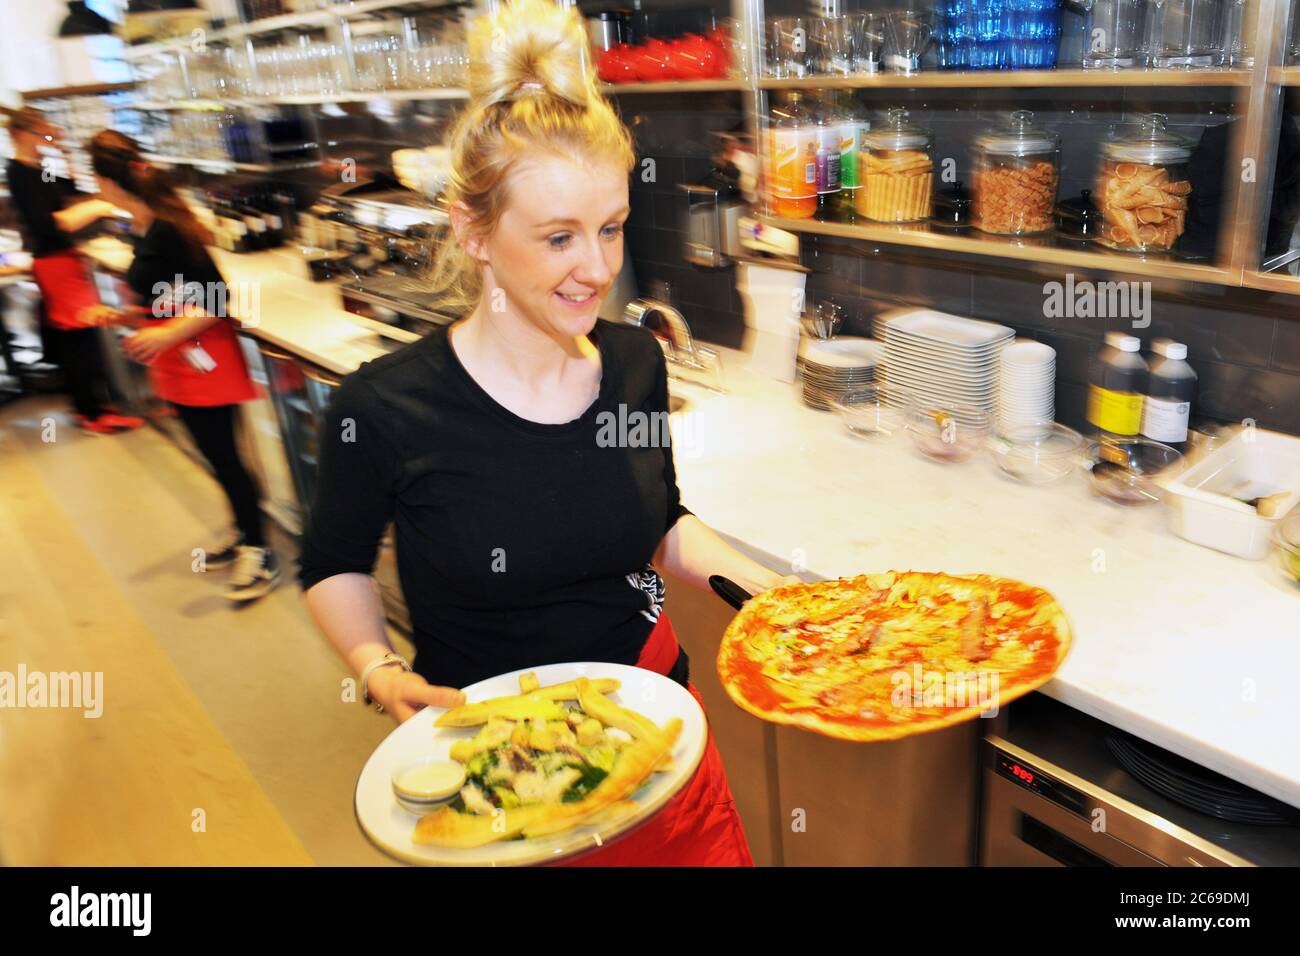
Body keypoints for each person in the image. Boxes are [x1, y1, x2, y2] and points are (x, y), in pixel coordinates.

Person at [299, 0, 795, 866]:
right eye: (559, 237)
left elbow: (663, 522)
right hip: (495, 764)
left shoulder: (636, 361)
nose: (597, 269)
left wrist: (771, 591)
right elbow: (333, 561)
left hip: (656, 740)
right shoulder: (385, 408)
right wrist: (376, 667)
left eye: (609, 229)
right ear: (472, 230)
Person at [87, 130, 280, 602]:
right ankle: (243, 528)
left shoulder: (166, 229)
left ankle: (259, 550)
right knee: (215, 456)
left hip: (204, 361)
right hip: (181, 359)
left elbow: (216, 297)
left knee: (225, 457)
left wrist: (164, 333)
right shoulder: (148, 227)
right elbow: (174, 295)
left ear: (107, 183)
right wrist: (132, 316)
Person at [2, 105, 142, 434]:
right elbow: (51, 224)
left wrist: (60, 152)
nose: (48, 138)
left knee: (82, 337)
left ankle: (92, 406)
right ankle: (92, 414)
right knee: (79, 339)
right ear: (22, 134)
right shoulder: (20, 173)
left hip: (64, 259)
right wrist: (102, 205)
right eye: (42, 133)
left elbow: (69, 193)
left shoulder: (40, 168)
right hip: (53, 262)